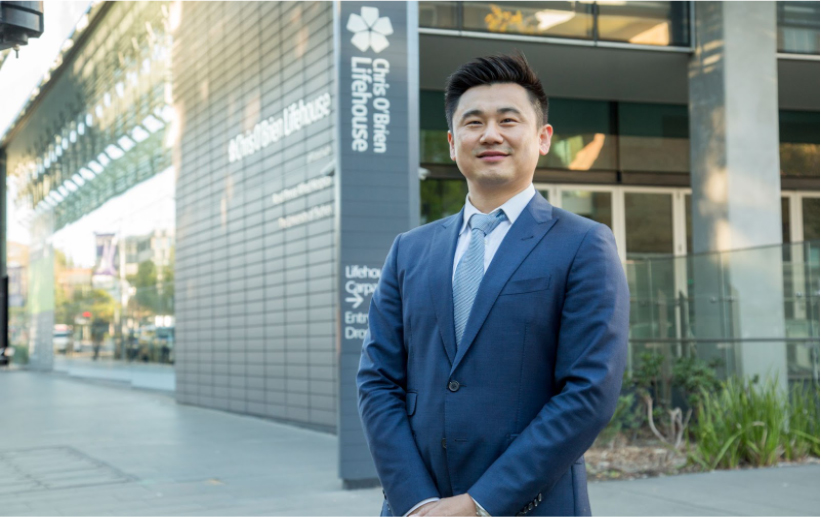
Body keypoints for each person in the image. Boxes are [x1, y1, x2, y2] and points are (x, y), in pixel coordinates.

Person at [357, 53, 629, 517]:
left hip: (532, 506)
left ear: (543, 138)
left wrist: (479, 503)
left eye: (508, 120)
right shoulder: (409, 250)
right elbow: (378, 379)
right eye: (473, 122)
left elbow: (589, 391)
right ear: (452, 143)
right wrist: (416, 500)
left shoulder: (584, 244)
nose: (490, 135)